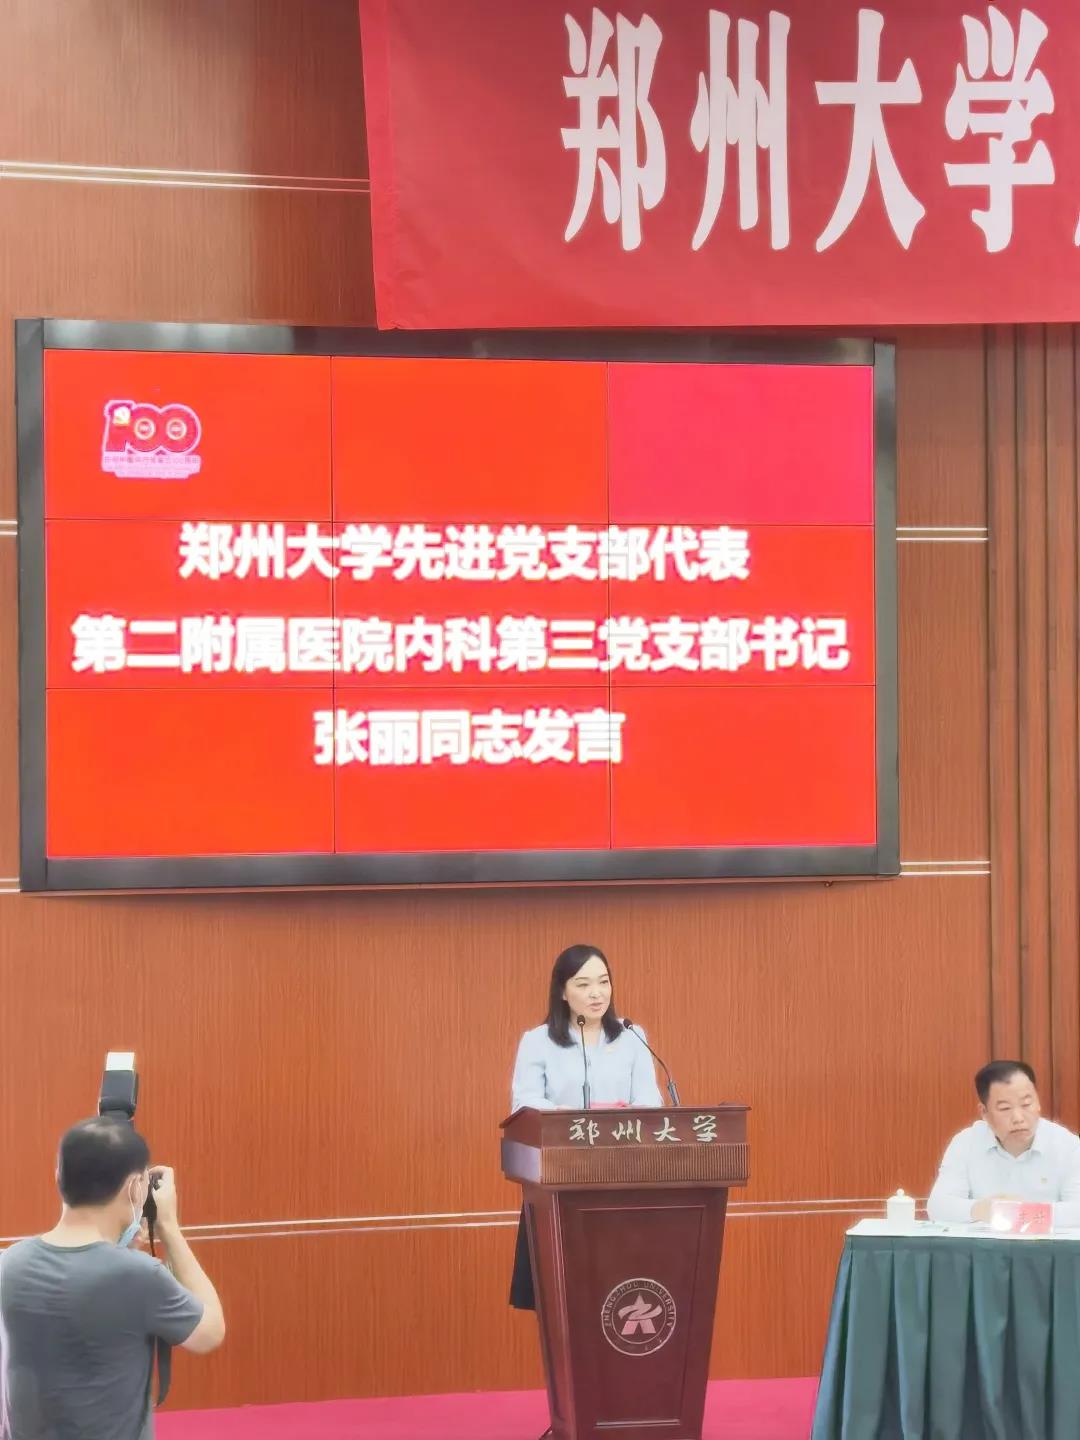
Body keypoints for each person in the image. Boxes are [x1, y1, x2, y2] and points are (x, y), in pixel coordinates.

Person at [0, 1115, 225, 1439]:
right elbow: (210, 1333)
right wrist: (169, 1228)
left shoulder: (10, 1263)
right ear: (135, 1187)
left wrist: (120, 1250)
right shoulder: (137, 1275)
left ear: (58, 1175)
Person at [508, 943, 663, 1314]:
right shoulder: (538, 1041)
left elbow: (650, 1103)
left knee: (618, 1295)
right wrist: (564, 1115)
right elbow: (524, 1104)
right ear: (562, 992)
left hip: (621, 1180)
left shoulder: (631, 1037)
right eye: (584, 984)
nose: (597, 993)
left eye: (603, 982)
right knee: (563, 1298)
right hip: (560, 1182)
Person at [927, 1060, 1080, 1225]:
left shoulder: (1067, 1145)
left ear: (1038, 1103)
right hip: (985, 1242)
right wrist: (983, 1209)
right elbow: (938, 1207)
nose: (1018, 1118)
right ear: (984, 1112)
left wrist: (1021, 1213)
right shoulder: (966, 1143)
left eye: (1026, 1104)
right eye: (1005, 1108)